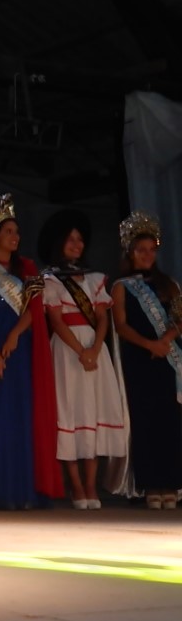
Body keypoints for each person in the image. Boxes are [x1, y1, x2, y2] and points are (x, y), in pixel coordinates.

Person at [0, 194, 61, 509]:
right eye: (9, 231)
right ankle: (1, 490)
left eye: (17, 232)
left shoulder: (28, 269)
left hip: (21, 349)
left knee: (24, 415)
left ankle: (25, 490)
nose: (15, 237)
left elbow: (34, 311)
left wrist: (13, 337)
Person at [40, 210, 127, 510]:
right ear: (59, 244)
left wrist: (95, 348)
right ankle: (76, 486)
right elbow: (56, 320)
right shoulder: (51, 280)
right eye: (70, 239)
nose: (76, 244)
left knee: (93, 411)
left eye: (79, 239)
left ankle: (91, 485)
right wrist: (80, 351)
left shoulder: (95, 279)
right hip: (67, 351)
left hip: (95, 349)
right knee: (71, 412)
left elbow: (102, 318)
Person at [111, 212, 182, 510]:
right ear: (130, 252)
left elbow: (179, 319)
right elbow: (121, 325)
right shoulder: (121, 286)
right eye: (141, 250)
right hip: (139, 359)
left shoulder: (169, 284)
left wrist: (165, 341)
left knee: (171, 421)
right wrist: (149, 344)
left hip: (167, 359)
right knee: (146, 421)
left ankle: (172, 483)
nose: (147, 255)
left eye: (151, 250)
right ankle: (151, 483)